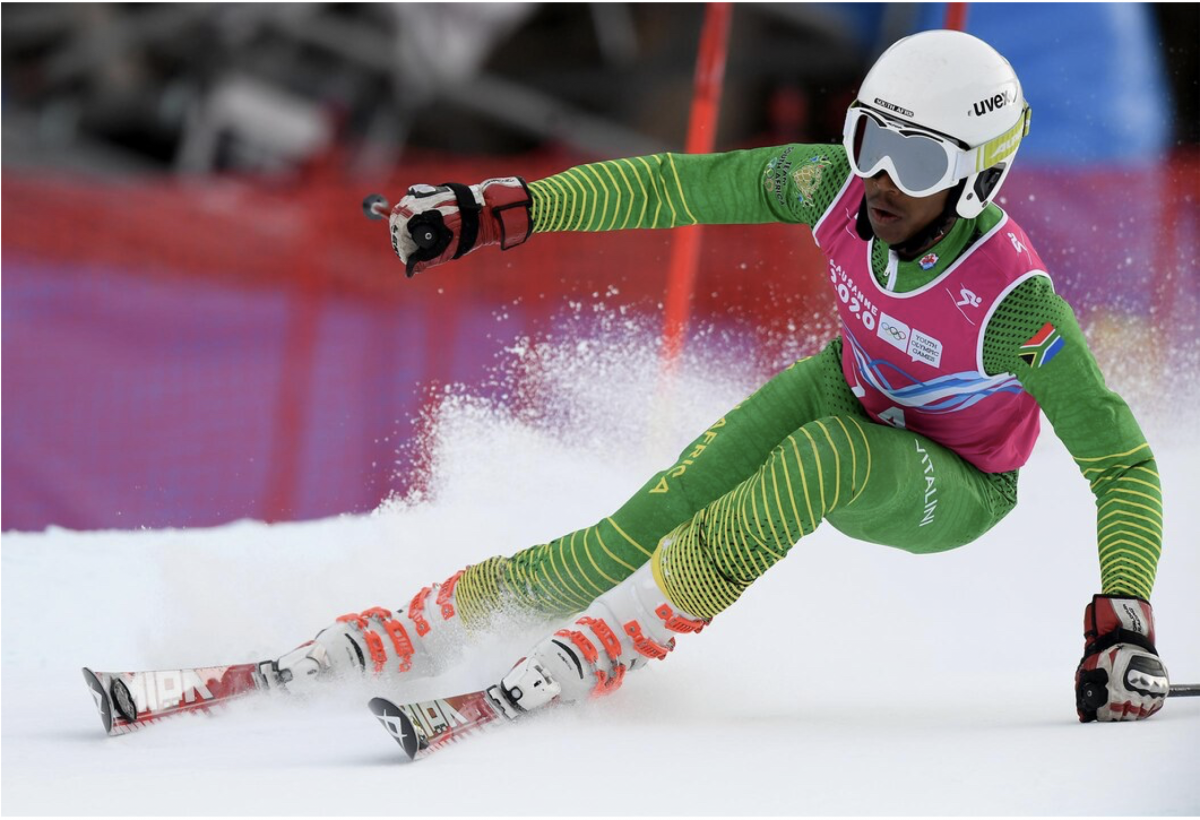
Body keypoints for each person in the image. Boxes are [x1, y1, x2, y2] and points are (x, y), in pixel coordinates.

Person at [265, 30, 1168, 723]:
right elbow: (676, 187)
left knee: (826, 456)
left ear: (978, 179)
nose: (881, 180)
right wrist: (510, 210)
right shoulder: (835, 192)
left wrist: (1123, 619)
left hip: (957, 481)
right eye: (868, 140)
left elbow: (1121, 463)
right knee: (635, 526)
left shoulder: (1014, 306)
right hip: (845, 388)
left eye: (920, 160)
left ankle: (624, 635)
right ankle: (430, 626)